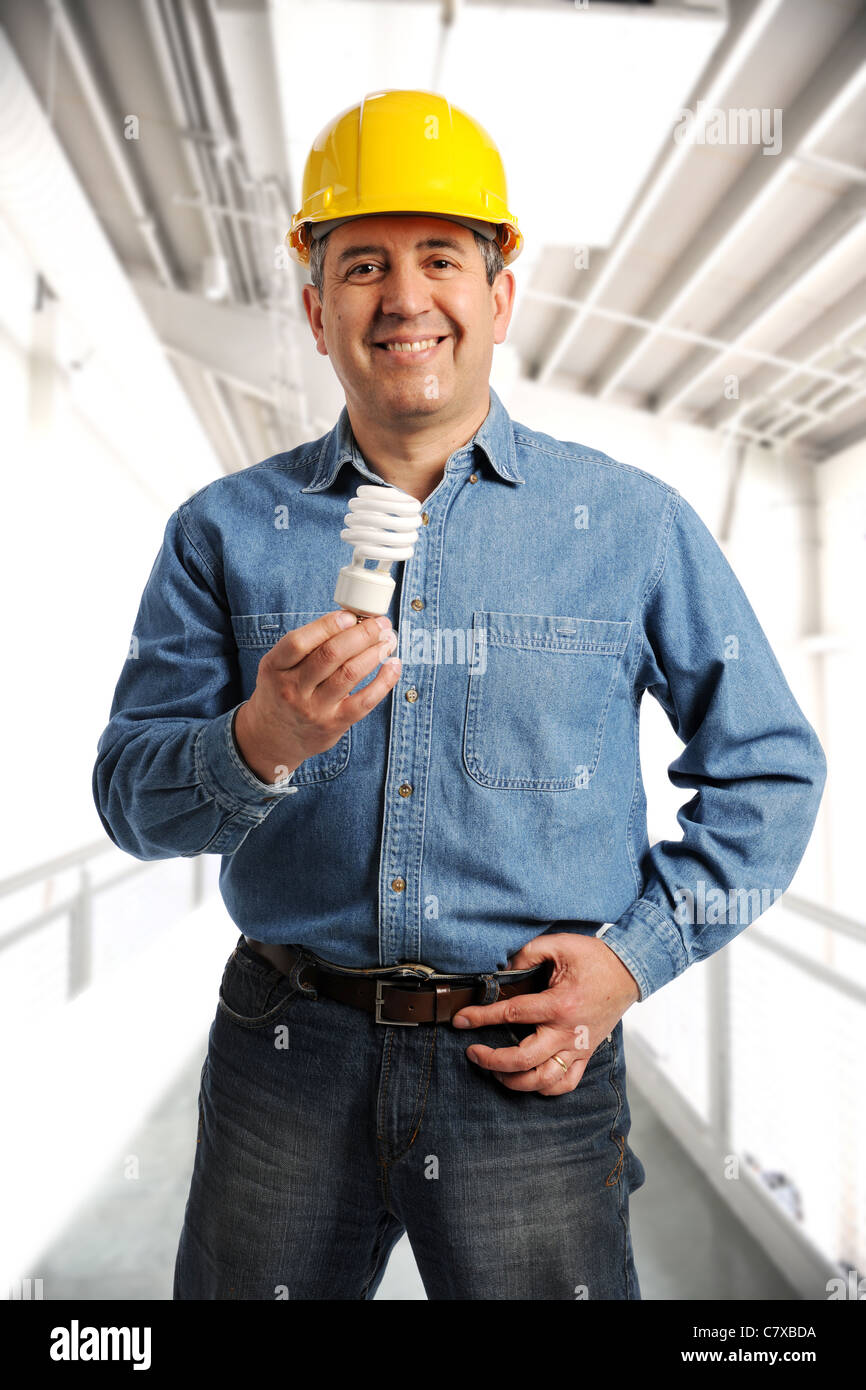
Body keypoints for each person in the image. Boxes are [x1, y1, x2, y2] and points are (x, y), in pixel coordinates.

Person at [92, 89, 827, 1301]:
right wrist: (261, 738)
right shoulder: (221, 532)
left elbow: (769, 766)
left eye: (441, 257)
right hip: (285, 1052)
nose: (404, 297)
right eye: (362, 263)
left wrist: (630, 961)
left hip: (528, 1060)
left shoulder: (631, 526)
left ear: (500, 293)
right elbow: (131, 800)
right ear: (313, 303)